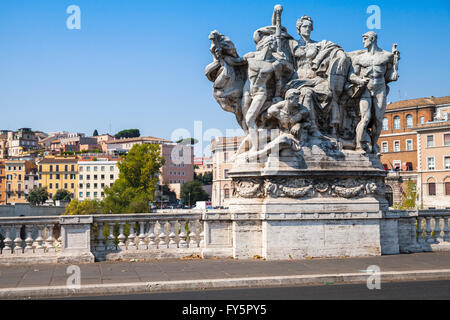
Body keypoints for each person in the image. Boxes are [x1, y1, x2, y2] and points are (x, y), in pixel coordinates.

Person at [286, 15, 349, 138]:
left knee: (330, 93)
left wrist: (341, 55)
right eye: (304, 26)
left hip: (316, 79)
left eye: (310, 27)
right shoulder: (292, 44)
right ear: (299, 29)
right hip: (299, 80)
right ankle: (312, 128)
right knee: (307, 93)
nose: (307, 29)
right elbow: (278, 39)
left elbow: (334, 47)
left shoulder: (319, 44)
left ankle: (331, 128)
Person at [348, 31, 399, 153]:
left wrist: (396, 67)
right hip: (365, 89)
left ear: (373, 39)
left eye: (365, 38)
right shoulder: (359, 58)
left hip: (379, 89)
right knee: (365, 118)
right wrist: (359, 80)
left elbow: (391, 75)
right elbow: (351, 75)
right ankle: (359, 146)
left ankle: (373, 144)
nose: (363, 41)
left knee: (378, 120)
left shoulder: (387, 56)